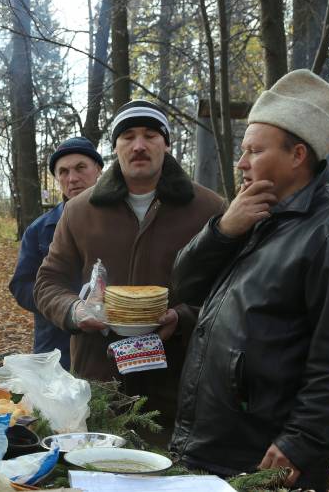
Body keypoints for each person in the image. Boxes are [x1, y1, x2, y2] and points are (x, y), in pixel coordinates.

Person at [169, 70, 329, 491]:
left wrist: (301, 442)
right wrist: (222, 231)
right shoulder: (253, 215)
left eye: (253, 151)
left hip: (265, 456)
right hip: (210, 444)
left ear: (298, 155)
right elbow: (183, 285)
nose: (242, 162)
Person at [34, 101, 225, 444]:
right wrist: (74, 311)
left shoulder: (209, 209)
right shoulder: (80, 210)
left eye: (150, 135)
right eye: (128, 136)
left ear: (166, 144)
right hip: (99, 377)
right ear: (115, 147)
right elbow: (48, 281)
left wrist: (181, 317)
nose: (139, 145)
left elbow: (228, 291)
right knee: (97, 470)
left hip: (177, 378)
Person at [9, 137, 103, 368]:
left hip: (109, 347)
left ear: (98, 169)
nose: (72, 178)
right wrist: (65, 303)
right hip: (55, 346)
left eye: (81, 167)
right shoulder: (40, 230)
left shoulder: (120, 221)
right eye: (63, 171)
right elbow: (21, 285)